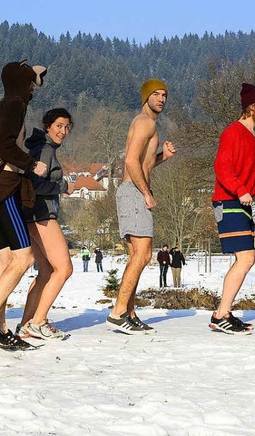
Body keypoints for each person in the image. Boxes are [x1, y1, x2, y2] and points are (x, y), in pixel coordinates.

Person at [0, 60, 48, 350]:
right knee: (24, 258)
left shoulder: (0, 107)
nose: (33, 88)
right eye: (31, 82)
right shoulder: (15, 106)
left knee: (5, 260)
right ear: (21, 83)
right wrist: (30, 165)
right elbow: (4, 144)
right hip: (5, 189)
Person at [107, 78, 176, 335]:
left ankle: (129, 313)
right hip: (134, 192)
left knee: (137, 256)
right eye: (156, 94)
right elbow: (131, 162)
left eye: (164, 95)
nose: (161, 99)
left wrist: (162, 158)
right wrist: (146, 192)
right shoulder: (145, 122)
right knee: (143, 255)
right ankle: (117, 313)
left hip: (132, 191)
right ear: (145, 97)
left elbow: (144, 164)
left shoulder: (147, 124)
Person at [210, 83, 255, 335]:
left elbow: (245, 175)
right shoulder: (233, 132)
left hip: (240, 201)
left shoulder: (252, 137)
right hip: (229, 202)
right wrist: (240, 190)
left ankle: (222, 313)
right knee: (246, 258)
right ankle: (221, 314)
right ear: (252, 107)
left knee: (246, 258)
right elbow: (223, 167)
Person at [17, 108, 73, 340]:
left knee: (46, 272)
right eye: (59, 125)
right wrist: (63, 187)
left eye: (67, 127)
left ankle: (25, 324)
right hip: (41, 214)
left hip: (32, 215)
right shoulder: (45, 149)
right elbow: (35, 185)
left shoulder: (39, 147)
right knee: (64, 268)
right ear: (48, 125)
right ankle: (38, 321)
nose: (63, 131)